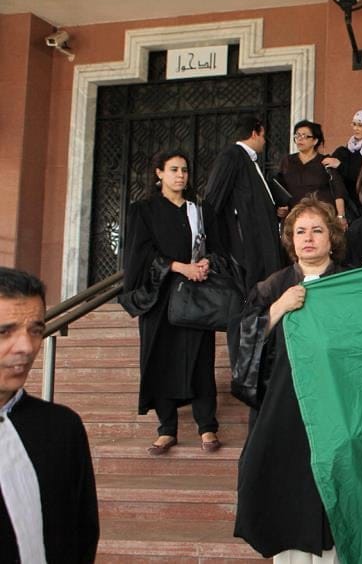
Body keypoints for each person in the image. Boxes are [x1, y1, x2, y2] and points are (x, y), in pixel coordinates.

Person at [234, 195, 346, 560]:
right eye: (300, 231)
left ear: (332, 237)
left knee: (334, 507)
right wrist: (279, 308)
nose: (308, 238)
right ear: (290, 238)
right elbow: (243, 345)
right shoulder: (272, 286)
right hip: (284, 412)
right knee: (288, 503)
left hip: (336, 414)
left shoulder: (350, 284)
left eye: (317, 230)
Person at [120, 151, 221, 455]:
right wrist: (178, 267)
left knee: (200, 359)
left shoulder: (199, 211)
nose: (180, 175)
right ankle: (167, 429)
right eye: (174, 169)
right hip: (158, 295)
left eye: (185, 170)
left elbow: (216, 246)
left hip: (195, 296)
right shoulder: (144, 210)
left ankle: (207, 426)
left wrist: (205, 263)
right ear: (159, 173)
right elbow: (141, 253)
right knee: (160, 359)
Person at [0, 267, 99, 563]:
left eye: (36, 330)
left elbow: (82, 535)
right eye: (5, 331)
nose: (26, 347)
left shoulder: (61, 428)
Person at [205, 115, 286, 292]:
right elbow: (214, 199)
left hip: (260, 238)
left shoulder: (249, 159)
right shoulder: (232, 156)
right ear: (254, 133)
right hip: (248, 242)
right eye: (263, 136)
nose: (265, 141)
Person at [276, 120, 350, 227]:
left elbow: (338, 191)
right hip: (293, 219)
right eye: (297, 135)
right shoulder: (287, 161)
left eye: (305, 136)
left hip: (321, 218)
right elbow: (279, 188)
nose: (300, 139)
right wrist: (280, 208)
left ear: (315, 141)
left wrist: (341, 216)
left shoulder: (326, 161)